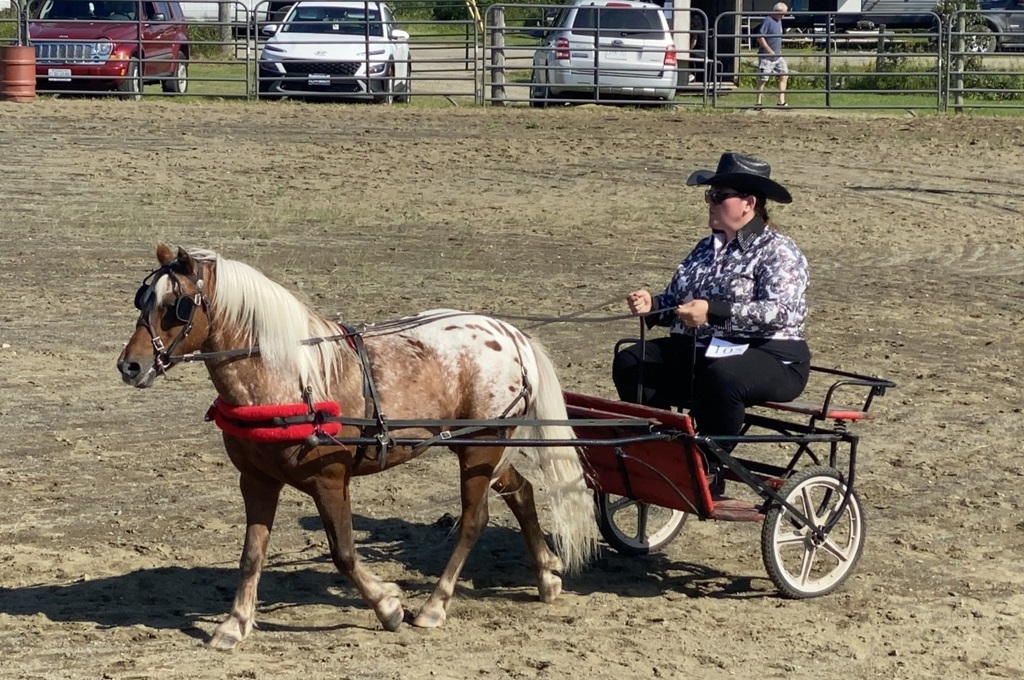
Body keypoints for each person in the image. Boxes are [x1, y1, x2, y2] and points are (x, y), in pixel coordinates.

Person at [611, 152, 810, 487]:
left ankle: (711, 465)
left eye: (719, 196)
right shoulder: (706, 248)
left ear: (748, 203)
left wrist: (713, 311)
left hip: (772, 354)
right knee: (633, 359)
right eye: (709, 195)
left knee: (722, 378)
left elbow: (780, 312)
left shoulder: (779, 252)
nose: (710, 202)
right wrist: (654, 303)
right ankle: (667, 448)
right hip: (704, 349)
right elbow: (678, 296)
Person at [755, 2, 789, 108]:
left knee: (784, 74)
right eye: (782, 13)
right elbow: (760, 36)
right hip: (767, 56)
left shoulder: (779, 21)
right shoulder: (767, 20)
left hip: (778, 55)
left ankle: (781, 101)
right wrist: (769, 50)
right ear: (776, 12)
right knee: (763, 79)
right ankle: (758, 102)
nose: (783, 16)